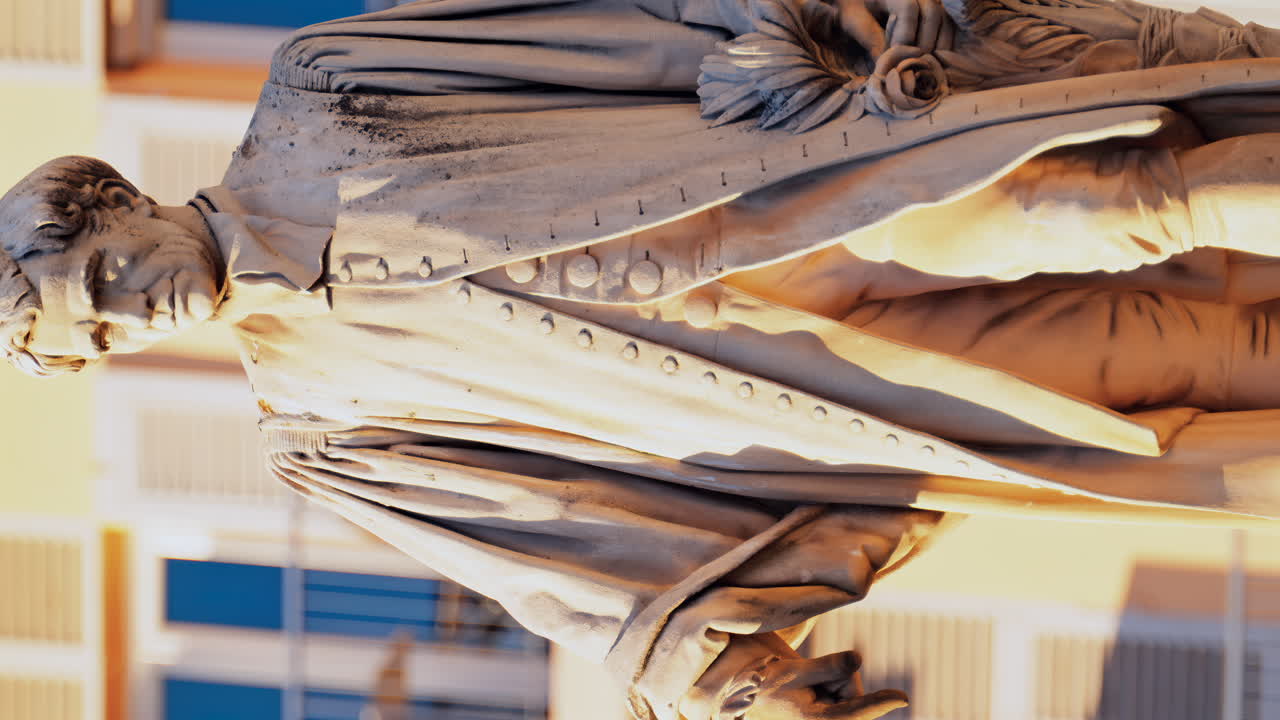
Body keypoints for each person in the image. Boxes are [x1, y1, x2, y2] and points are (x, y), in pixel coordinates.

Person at [3, 0, 1280, 718]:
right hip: (825, 378)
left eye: (105, 277)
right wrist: (718, 677)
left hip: (803, 191)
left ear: (118, 203)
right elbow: (548, 550)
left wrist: (757, 30)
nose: (134, 312)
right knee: (1192, 367)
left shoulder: (321, 89)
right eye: (102, 334)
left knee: (1117, 200)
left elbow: (590, 26)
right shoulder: (320, 429)